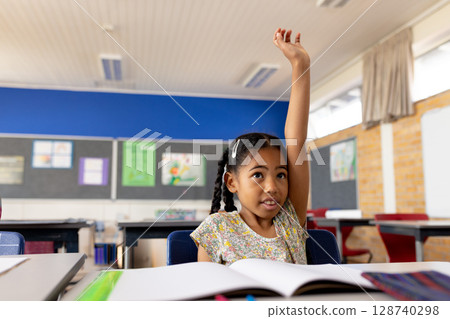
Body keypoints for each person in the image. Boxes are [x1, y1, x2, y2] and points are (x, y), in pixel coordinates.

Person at [191, 28, 310, 266]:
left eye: (281, 175)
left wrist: (301, 65)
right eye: (258, 174)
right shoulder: (217, 229)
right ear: (232, 182)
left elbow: (296, 138)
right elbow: (205, 292)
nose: (272, 187)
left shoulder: (289, 220)